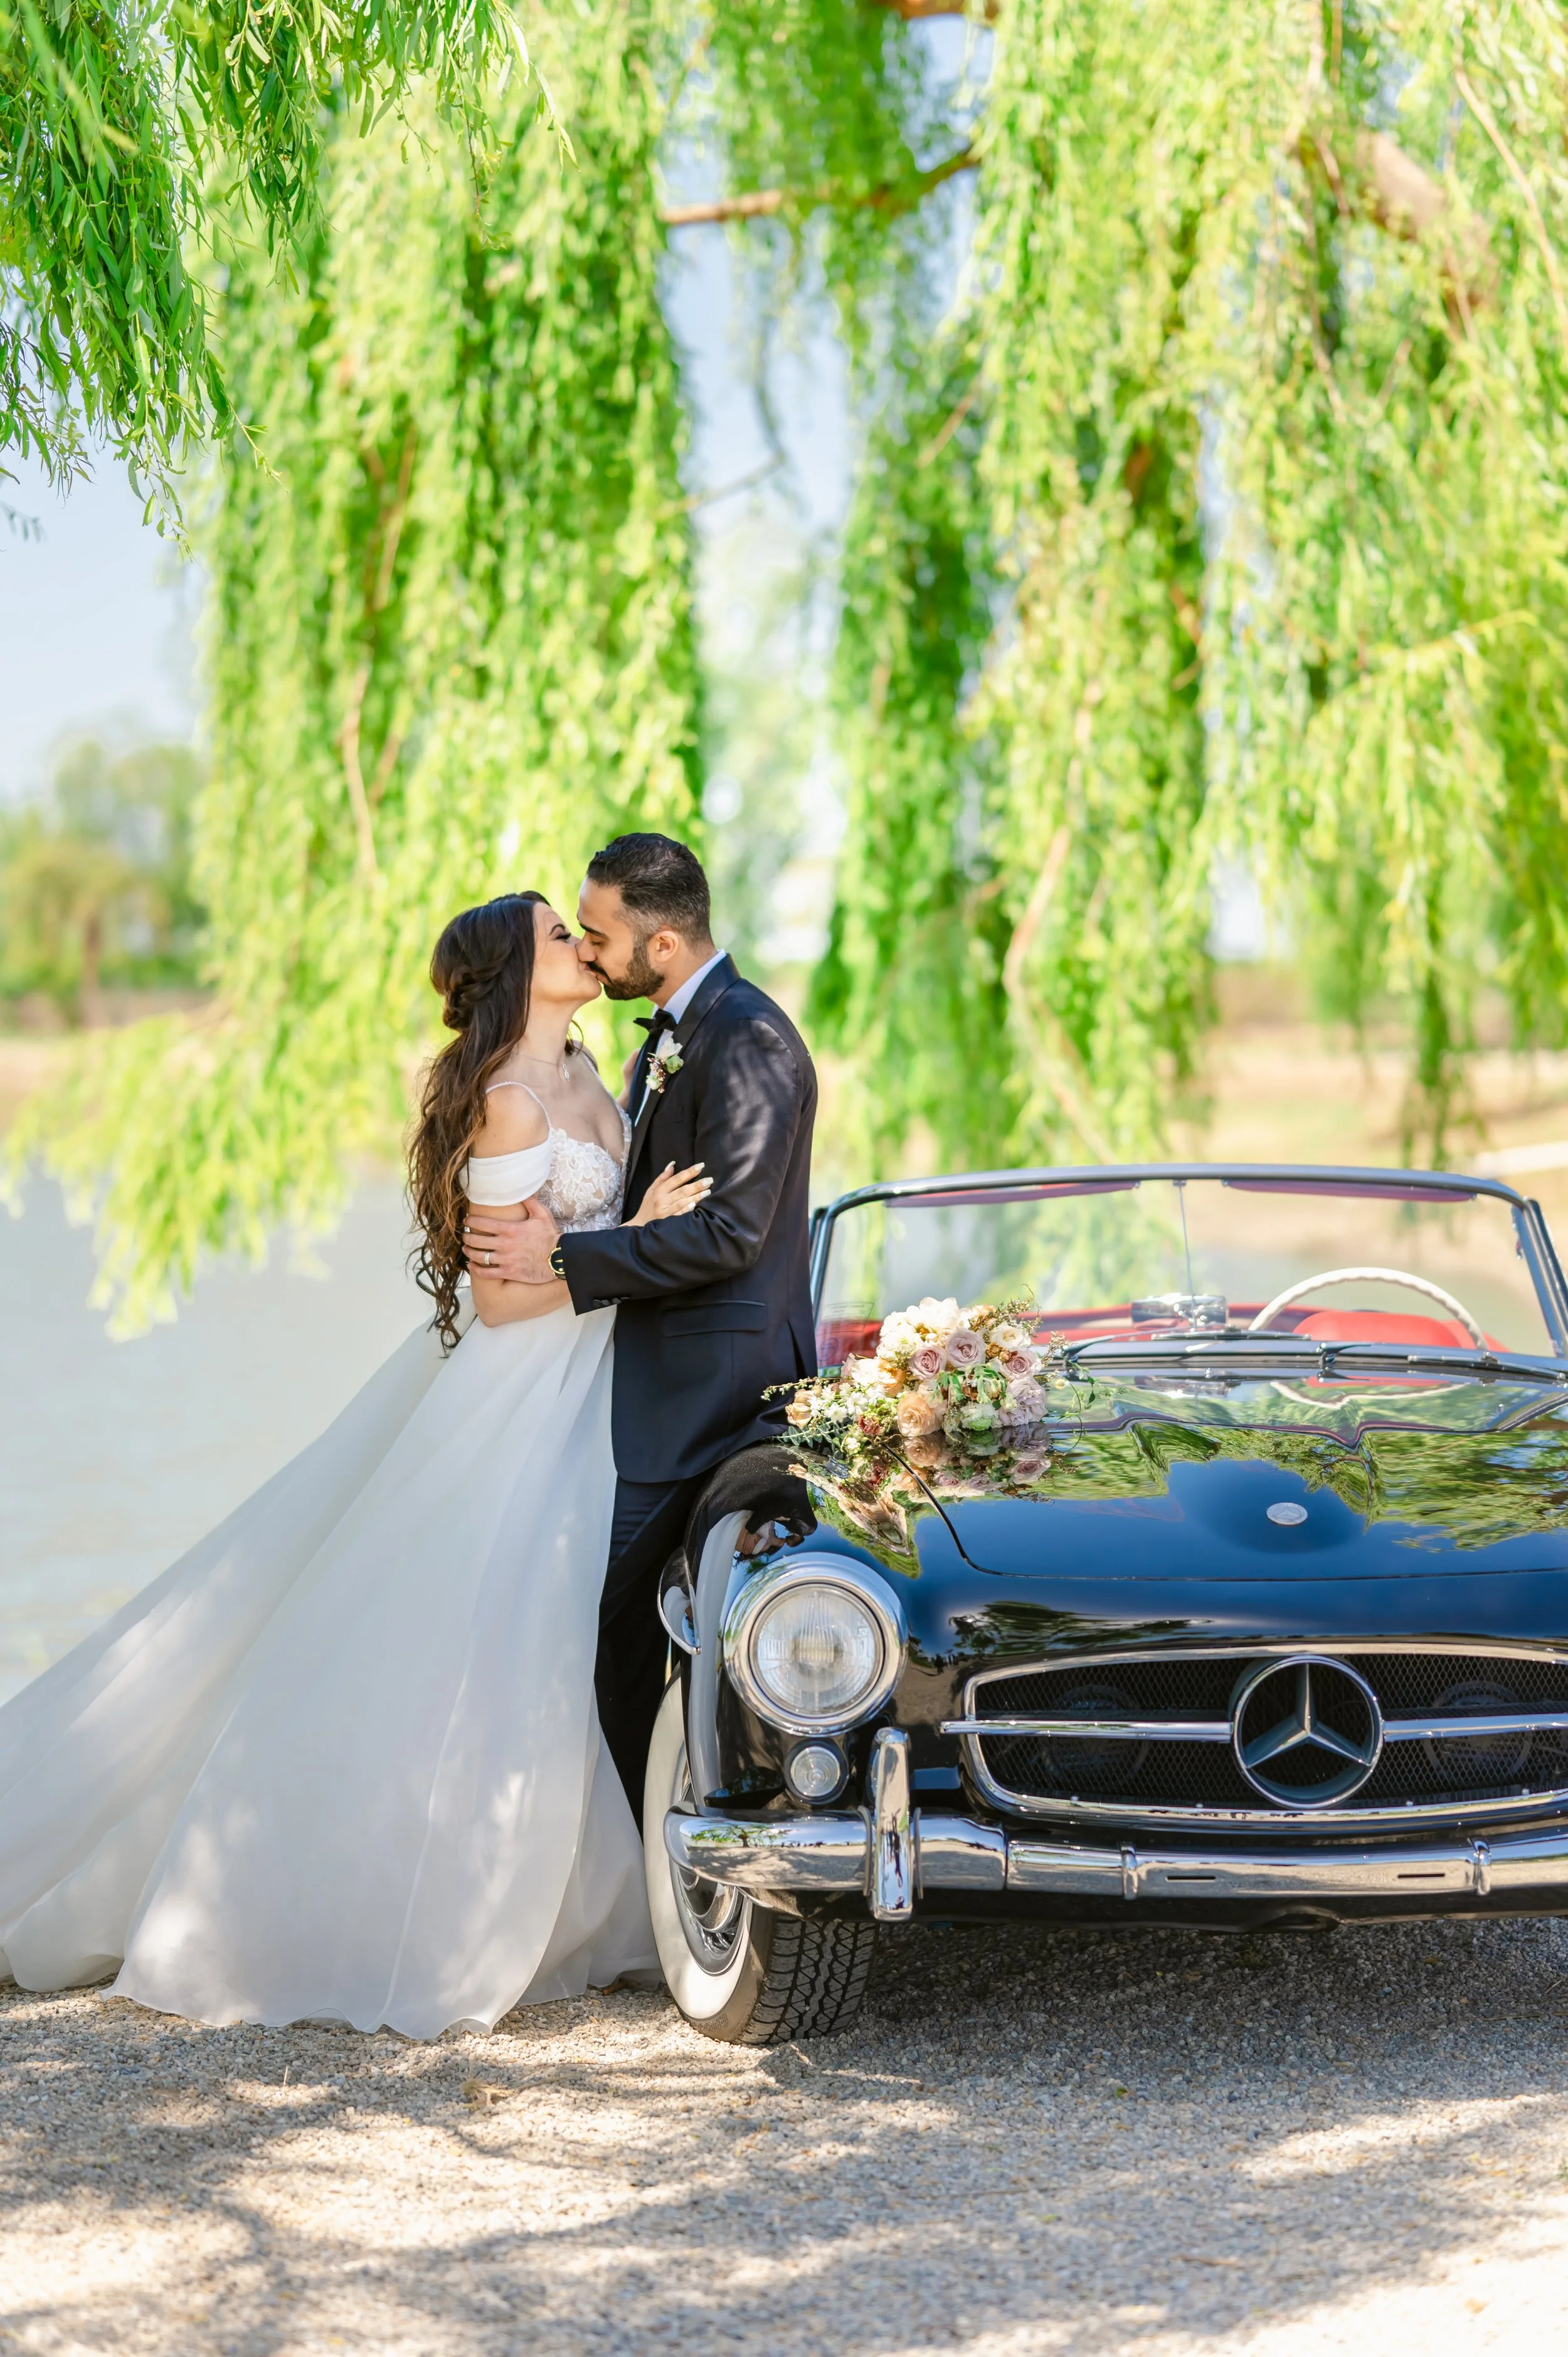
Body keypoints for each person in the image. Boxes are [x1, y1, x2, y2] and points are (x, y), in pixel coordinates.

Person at [0, 891, 709, 2036]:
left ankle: (578, 1894)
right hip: (526, 1393)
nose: (581, 946)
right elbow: (502, 1295)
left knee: (569, 1627)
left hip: (601, 1386)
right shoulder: (509, 1103)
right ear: (513, 977)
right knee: (496, 1626)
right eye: (555, 937)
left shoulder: (593, 1071)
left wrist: (639, 1231)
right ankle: (400, 1908)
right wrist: (632, 1242)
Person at [462, 834, 818, 1806]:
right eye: (572, 932)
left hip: (708, 1395)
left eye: (600, 932)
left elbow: (731, 1232)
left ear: (660, 946)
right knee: (600, 1625)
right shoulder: (666, 1039)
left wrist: (568, 1255)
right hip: (632, 1386)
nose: (588, 948)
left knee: (602, 1618)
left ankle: (659, 1838)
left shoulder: (746, 1038)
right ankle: (631, 1842)